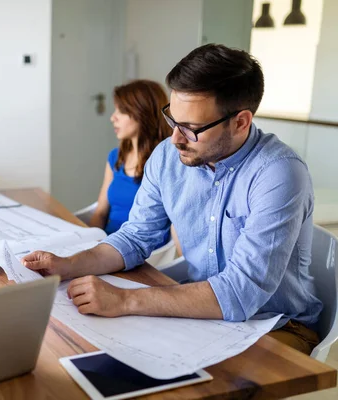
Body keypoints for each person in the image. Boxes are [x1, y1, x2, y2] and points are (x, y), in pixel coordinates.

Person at [22, 44, 322, 354]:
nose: (176, 138)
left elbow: (239, 294)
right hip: (203, 316)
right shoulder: (168, 156)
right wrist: (69, 264)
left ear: (241, 122)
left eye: (191, 128)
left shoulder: (279, 173)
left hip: (276, 326)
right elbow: (136, 237)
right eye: (172, 119)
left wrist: (124, 300)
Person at [89, 80, 171, 235]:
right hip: (107, 244)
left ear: (142, 113)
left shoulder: (164, 162)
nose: (113, 118)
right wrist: (89, 244)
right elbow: (100, 213)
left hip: (143, 253)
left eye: (121, 111)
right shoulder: (115, 157)